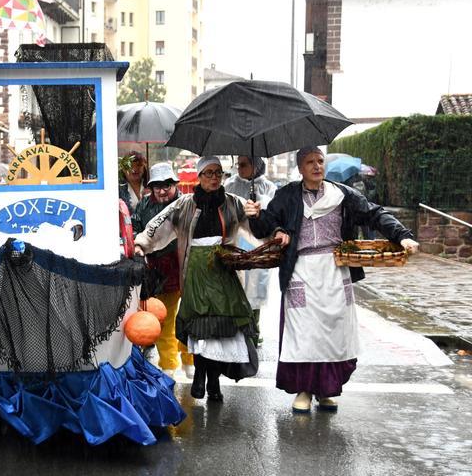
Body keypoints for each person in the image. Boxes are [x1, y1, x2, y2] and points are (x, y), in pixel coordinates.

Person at [246, 145, 419, 413]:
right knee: (304, 334)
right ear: (300, 168)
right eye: (310, 162)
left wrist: (402, 234)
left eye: (320, 160)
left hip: (335, 269)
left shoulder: (342, 194)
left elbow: (375, 213)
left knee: (333, 331)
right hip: (301, 269)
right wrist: (255, 215)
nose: (317, 166)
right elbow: (264, 227)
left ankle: (327, 390)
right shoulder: (287, 195)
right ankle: (304, 389)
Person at [135, 157, 258, 402]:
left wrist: (256, 215)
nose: (214, 178)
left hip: (224, 273)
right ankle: (201, 374)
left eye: (218, 173)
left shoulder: (235, 203)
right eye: (209, 173)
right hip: (194, 273)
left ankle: (213, 380)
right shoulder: (183, 205)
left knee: (221, 329)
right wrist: (141, 245)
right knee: (200, 328)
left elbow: (258, 232)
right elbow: (156, 227)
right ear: (199, 177)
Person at [130, 162, 194, 379]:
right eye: (157, 186)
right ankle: (168, 363)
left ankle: (189, 358)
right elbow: (136, 229)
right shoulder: (143, 206)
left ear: (175, 184)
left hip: (187, 266)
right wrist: (138, 245)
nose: (163, 190)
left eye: (167, 185)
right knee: (163, 319)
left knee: (188, 317)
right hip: (158, 271)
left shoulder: (187, 204)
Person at [223, 156, 278, 345]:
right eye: (238, 164)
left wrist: (260, 204)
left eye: (244, 164)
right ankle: (238, 328)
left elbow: (274, 213)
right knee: (235, 286)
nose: (240, 167)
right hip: (236, 240)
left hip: (259, 243)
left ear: (256, 165)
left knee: (256, 288)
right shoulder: (229, 184)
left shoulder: (268, 187)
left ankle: (254, 329)